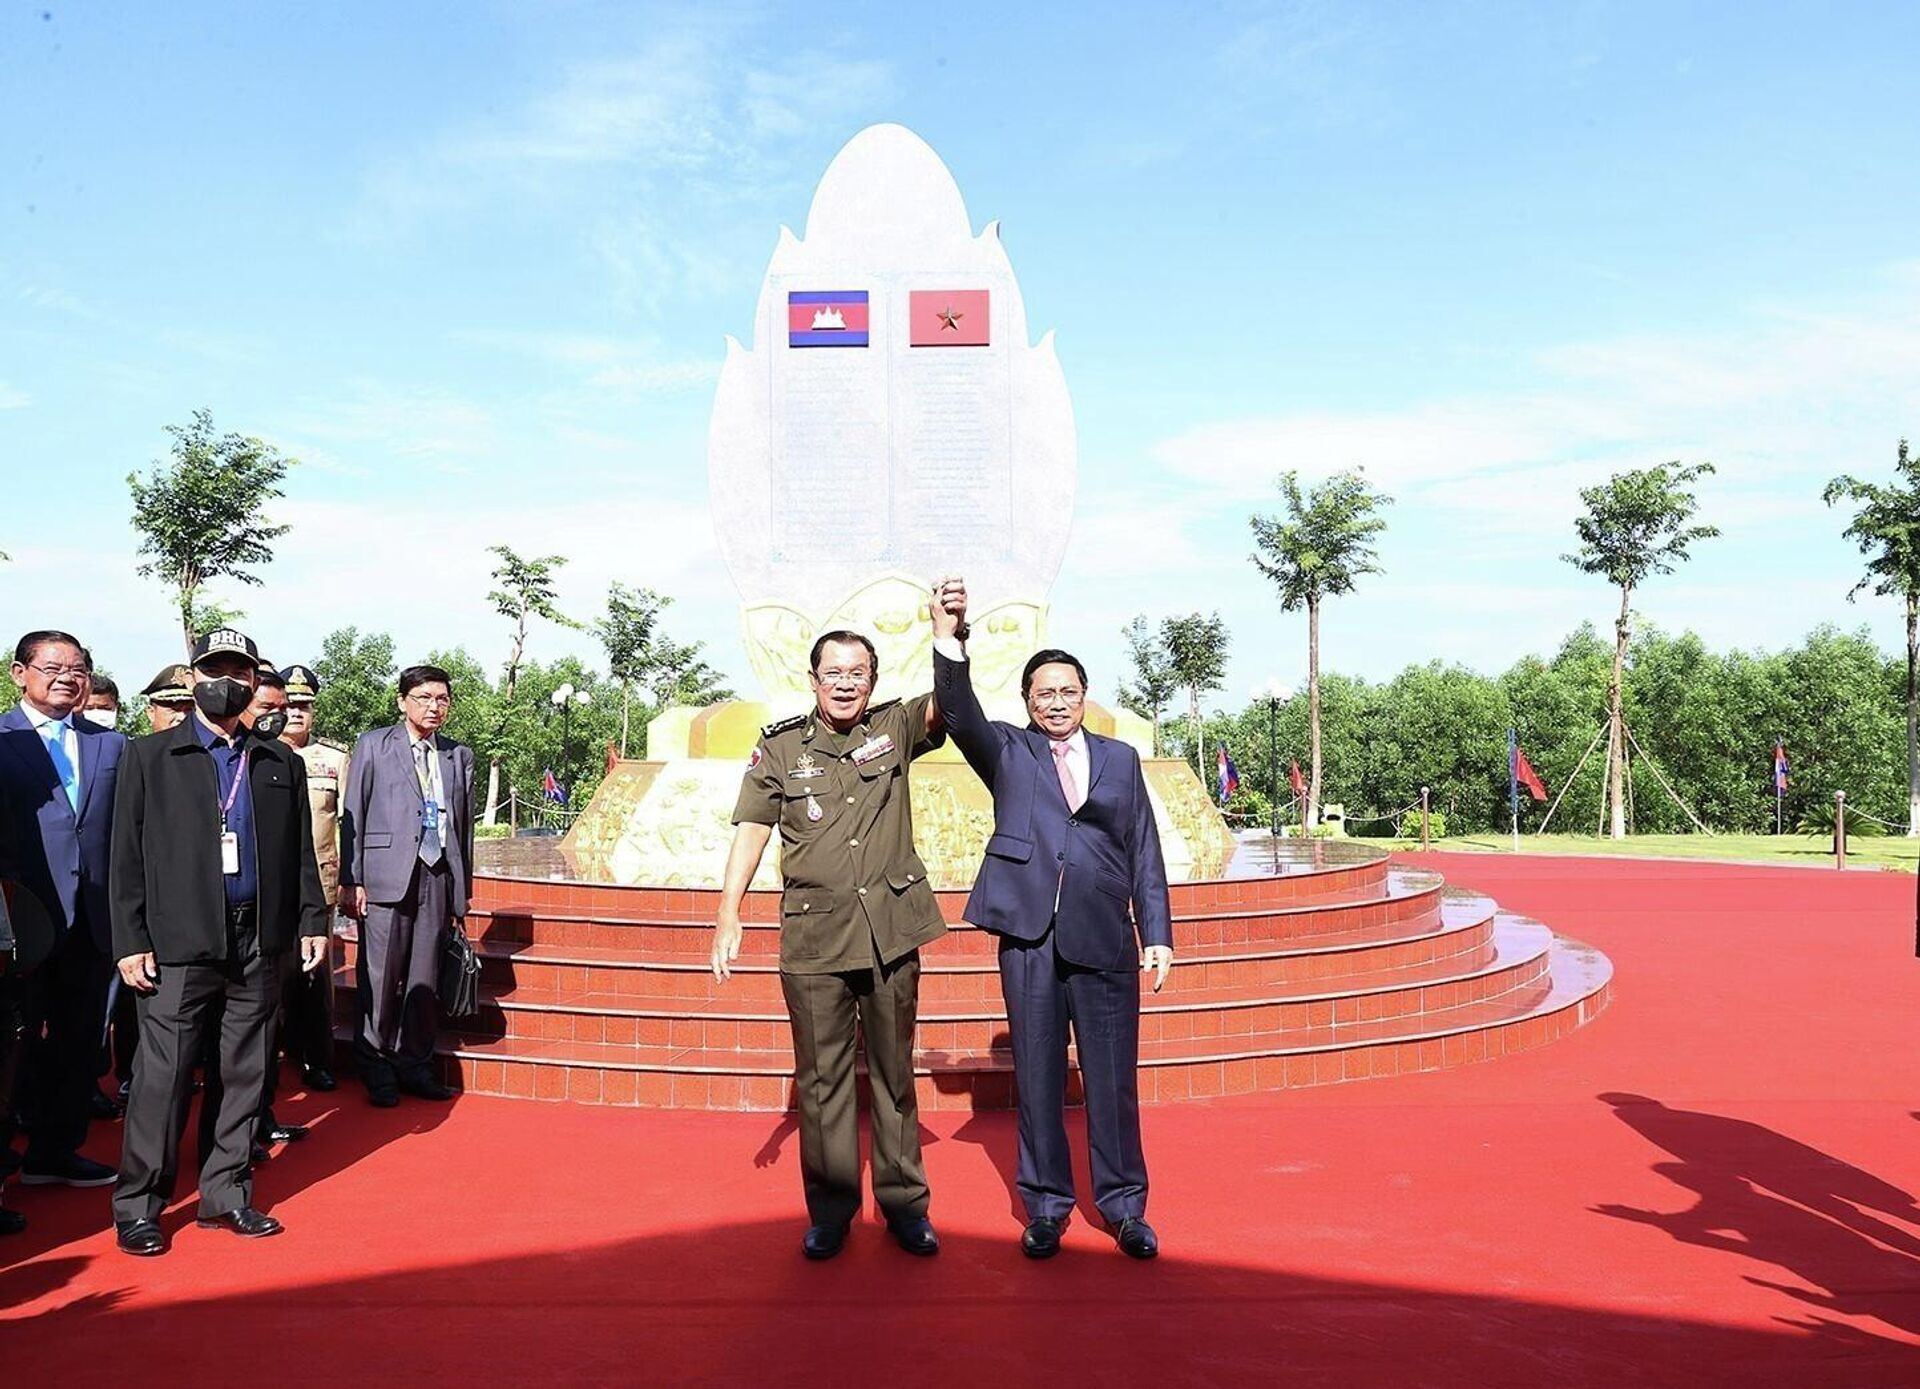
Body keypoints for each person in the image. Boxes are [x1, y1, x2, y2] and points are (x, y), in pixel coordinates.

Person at [929, 578, 1174, 1259]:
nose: (1057, 701)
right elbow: (956, 708)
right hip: (1030, 937)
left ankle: (1125, 1206)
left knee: (1113, 1079)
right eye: (1045, 692)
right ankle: (1045, 1207)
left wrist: (1155, 932)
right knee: (1036, 1077)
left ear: (1084, 696)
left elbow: (1143, 847)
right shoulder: (1009, 751)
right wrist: (950, 635)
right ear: (1028, 701)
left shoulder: (1121, 760)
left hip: (1104, 938)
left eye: (1068, 690)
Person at [711, 610, 956, 1261]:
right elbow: (753, 828)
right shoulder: (782, 747)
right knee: (821, 1083)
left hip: (889, 935)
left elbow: (952, 702)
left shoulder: (896, 726)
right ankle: (831, 1209)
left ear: (873, 679)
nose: (845, 684)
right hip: (814, 941)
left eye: (857, 673)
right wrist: (729, 910)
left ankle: (905, 1204)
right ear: (813, 678)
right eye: (834, 673)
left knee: (894, 1075)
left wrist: (949, 636)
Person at [109, 628, 328, 1256]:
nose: (226, 680)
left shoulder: (279, 762)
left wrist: (310, 921)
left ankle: (226, 1193)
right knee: (164, 1077)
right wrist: (130, 939)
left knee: (246, 1070)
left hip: (259, 940)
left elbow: (300, 857)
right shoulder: (150, 757)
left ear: (254, 682)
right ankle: (140, 1205)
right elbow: (125, 857)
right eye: (214, 668)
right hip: (178, 944)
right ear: (194, 678)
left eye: (239, 670)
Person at [0, 630, 124, 1190]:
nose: (68, 677)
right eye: (53, 667)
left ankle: (58, 1150)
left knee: (79, 1041)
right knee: (10, 1048)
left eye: (78, 668)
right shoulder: (0, 739)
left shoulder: (109, 745)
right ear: (19, 673)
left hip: (91, 917)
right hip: (19, 919)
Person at [338, 664, 474, 1109]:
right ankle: (374, 1062)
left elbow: (465, 828)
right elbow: (352, 813)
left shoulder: (457, 756)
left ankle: (414, 1063)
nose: (433, 707)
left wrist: (461, 890)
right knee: (379, 974)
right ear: (402, 702)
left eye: (441, 699)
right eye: (423, 698)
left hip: (435, 875)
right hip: (384, 877)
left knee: (424, 976)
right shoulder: (374, 745)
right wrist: (350, 878)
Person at [238, 668, 308, 1153]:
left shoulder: (284, 761)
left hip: (271, 923)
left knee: (265, 1031)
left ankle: (257, 1121)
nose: (276, 717)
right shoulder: (198, 760)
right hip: (211, 922)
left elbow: (300, 849)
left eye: (280, 709)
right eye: (266, 708)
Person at [277, 664, 346, 1092]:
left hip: (317, 883)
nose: (297, 713)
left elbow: (348, 825)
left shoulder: (334, 760)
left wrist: (351, 879)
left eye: (304, 705)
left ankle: (316, 1059)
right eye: (290, 705)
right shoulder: (254, 752)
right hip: (266, 886)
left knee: (315, 976)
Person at [139, 664, 194, 735]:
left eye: (189, 710)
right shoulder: (136, 746)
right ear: (151, 713)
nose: (182, 717)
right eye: (175, 710)